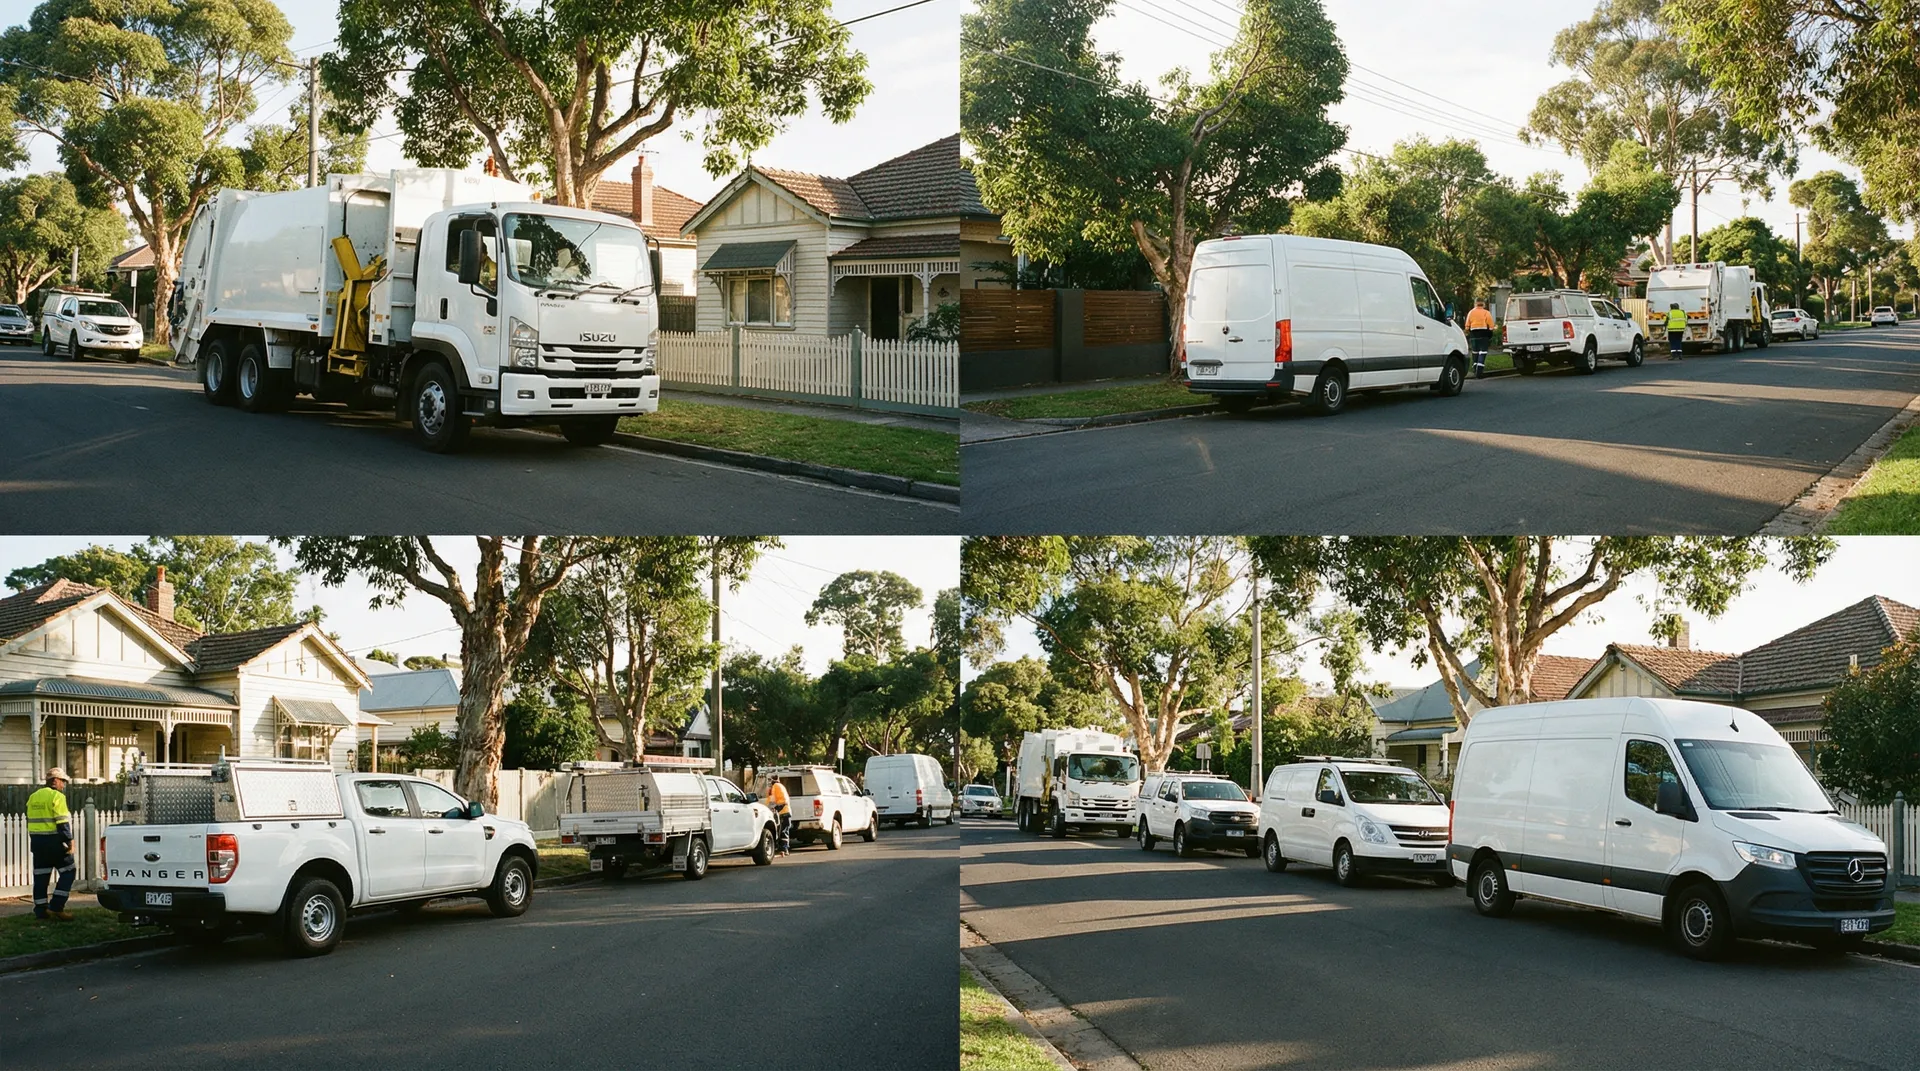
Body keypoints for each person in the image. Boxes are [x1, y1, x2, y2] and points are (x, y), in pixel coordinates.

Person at [27, 768, 76, 922]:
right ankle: (56, 906)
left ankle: (41, 911)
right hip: (54, 842)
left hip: (37, 843)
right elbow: (62, 822)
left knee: (41, 876)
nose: (64, 785)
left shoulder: (33, 797)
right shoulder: (57, 796)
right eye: (63, 781)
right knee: (69, 871)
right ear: (55, 780)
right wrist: (69, 841)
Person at [1465, 299, 1497, 378]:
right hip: (1484, 334)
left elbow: (1467, 326)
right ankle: (1479, 370)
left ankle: (1474, 367)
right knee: (1483, 352)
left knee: (1475, 352)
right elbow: (1491, 326)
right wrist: (1491, 331)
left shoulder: (1471, 312)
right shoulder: (1486, 312)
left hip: (1473, 334)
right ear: (1483, 304)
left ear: (1475, 304)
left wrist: (1469, 331)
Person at [764, 775, 792, 856]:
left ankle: (784, 849)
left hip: (783, 811)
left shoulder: (775, 787)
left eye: (770, 780)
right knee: (783, 830)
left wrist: (772, 808)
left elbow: (774, 801)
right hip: (784, 811)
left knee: (783, 831)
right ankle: (783, 849)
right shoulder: (778, 786)